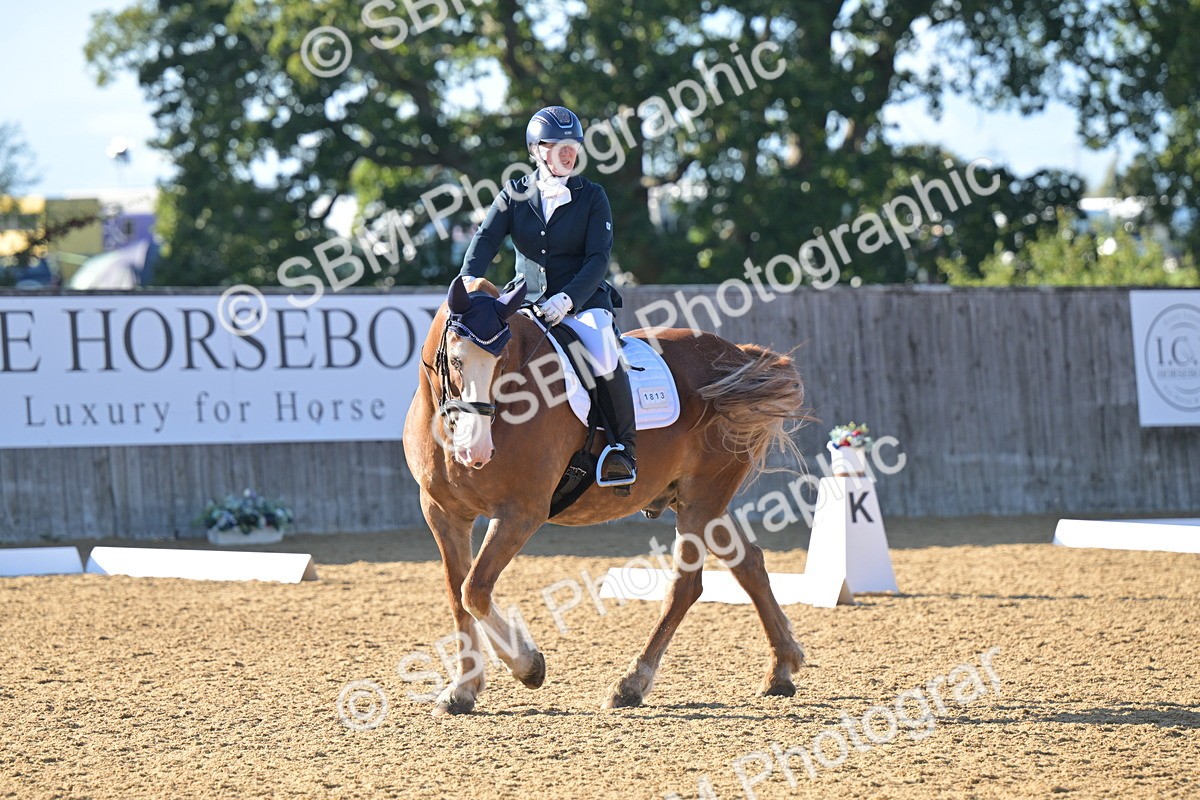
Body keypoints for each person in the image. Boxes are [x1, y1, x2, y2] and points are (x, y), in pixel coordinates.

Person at [459, 105, 636, 486]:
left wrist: (567, 300)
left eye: (573, 145)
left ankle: (624, 449)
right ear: (536, 149)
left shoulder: (593, 196)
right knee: (482, 351)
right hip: (524, 302)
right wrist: (469, 283)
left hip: (583, 303)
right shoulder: (514, 194)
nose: (568, 153)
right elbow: (485, 241)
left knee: (604, 353)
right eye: (557, 146)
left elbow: (597, 259)